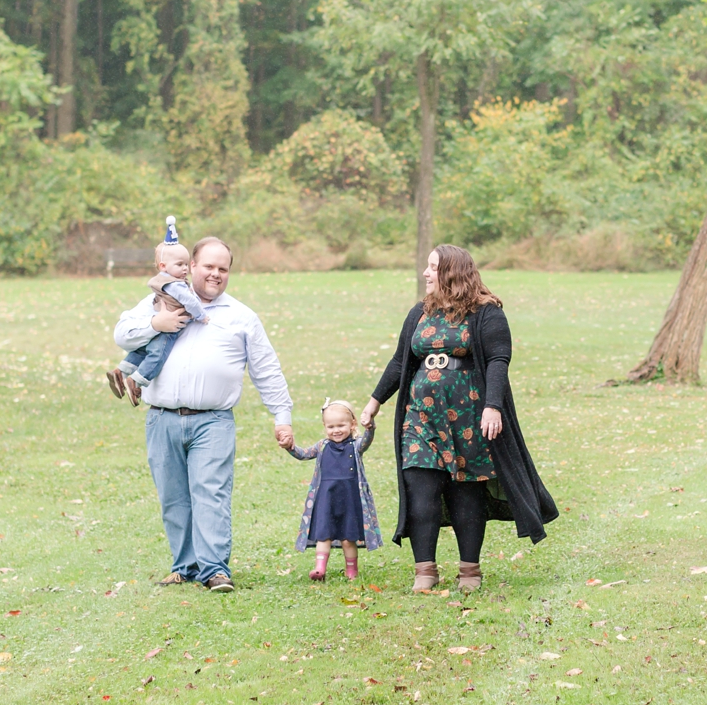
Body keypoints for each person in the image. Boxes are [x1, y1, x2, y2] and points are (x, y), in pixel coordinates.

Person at [359, 244, 557, 594]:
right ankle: (425, 569)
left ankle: (469, 570)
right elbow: (400, 362)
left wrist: (492, 406)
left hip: (468, 418)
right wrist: (374, 402)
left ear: (451, 272)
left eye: (432, 267)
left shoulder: (486, 313)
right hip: (420, 418)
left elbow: (498, 360)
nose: (425, 273)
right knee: (420, 491)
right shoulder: (419, 313)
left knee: (467, 494)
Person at [113, 236, 295, 592]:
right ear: (191, 267)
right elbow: (122, 334)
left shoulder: (241, 317)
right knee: (173, 497)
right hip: (162, 417)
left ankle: (214, 570)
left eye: (222, 269)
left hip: (212, 420)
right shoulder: (157, 302)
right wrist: (156, 324)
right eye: (208, 266)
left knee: (210, 492)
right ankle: (185, 566)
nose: (215, 274)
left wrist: (282, 416)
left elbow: (266, 369)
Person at [106, 216, 208, 407]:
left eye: (186, 264)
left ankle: (121, 372)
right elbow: (189, 302)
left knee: (143, 350)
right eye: (180, 265)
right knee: (157, 354)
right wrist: (201, 315)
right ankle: (136, 381)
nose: (185, 268)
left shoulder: (162, 281)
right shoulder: (176, 286)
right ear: (163, 266)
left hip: (159, 325)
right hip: (169, 328)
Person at [284, 399, 382, 581]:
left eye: (341, 425)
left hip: (350, 498)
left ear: (352, 424)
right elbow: (304, 454)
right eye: (331, 427)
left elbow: (367, 441)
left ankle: (351, 570)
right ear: (324, 427)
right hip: (326, 498)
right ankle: (319, 569)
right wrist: (290, 447)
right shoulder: (322, 446)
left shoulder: (355, 446)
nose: (336, 430)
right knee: (324, 534)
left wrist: (370, 427)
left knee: (348, 537)